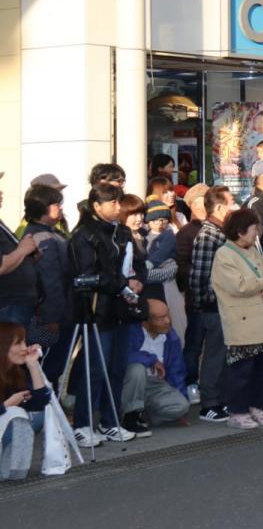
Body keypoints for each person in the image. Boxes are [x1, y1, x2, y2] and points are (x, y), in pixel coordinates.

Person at [69, 183, 144, 447]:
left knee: (116, 369)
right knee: (95, 370)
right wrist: (121, 283)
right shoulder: (84, 234)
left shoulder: (122, 231)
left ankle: (110, 421)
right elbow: (88, 275)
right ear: (96, 206)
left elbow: (135, 265)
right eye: (111, 203)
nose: (117, 207)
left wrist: (134, 281)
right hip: (96, 310)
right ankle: (83, 424)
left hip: (121, 309)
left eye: (118, 202)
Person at [211, 210, 263, 430]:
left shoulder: (253, 251)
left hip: (262, 320)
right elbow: (239, 285)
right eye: (253, 229)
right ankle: (237, 410)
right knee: (241, 370)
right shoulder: (224, 254)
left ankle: (257, 406)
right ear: (241, 232)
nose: (256, 233)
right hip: (241, 321)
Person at [189, 185, 236, 423]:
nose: (234, 207)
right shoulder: (209, 235)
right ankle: (209, 403)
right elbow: (199, 276)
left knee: (224, 354)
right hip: (214, 307)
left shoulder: (221, 233)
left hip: (225, 305)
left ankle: (220, 399)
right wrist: (206, 303)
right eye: (230, 202)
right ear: (218, 207)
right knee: (214, 356)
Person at [22, 186, 71, 384]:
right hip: (49, 318)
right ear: (42, 207)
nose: (60, 208)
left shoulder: (48, 233)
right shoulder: (41, 237)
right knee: (47, 368)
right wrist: (52, 317)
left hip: (52, 313)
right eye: (56, 204)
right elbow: (50, 281)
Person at [121, 298, 188, 434]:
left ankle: (146, 414)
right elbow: (123, 357)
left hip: (156, 385)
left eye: (167, 315)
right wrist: (151, 360)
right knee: (137, 369)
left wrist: (181, 406)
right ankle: (130, 417)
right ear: (146, 321)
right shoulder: (130, 331)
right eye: (161, 318)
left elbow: (177, 372)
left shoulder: (171, 337)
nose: (168, 321)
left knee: (182, 405)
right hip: (130, 383)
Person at [0, 322, 49, 480]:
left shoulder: (16, 371)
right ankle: (11, 471)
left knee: (35, 416)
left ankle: (12, 469)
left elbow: (40, 404)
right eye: (18, 343)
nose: (24, 347)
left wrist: (33, 364)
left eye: (24, 341)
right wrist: (7, 405)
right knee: (16, 413)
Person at [175, 182, 208, 405]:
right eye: (202, 201)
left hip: (219, 296)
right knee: (194, 342)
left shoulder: (221, 228)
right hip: (196, 296)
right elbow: (182, 265)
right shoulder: (187, 232)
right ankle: (190, 382)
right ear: (192, 205)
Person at [0, 174, 42, 326]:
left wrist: (30, 257)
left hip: (17, 304)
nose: (1, 193)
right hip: (8, 305)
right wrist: (23, 250)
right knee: (10, 349)